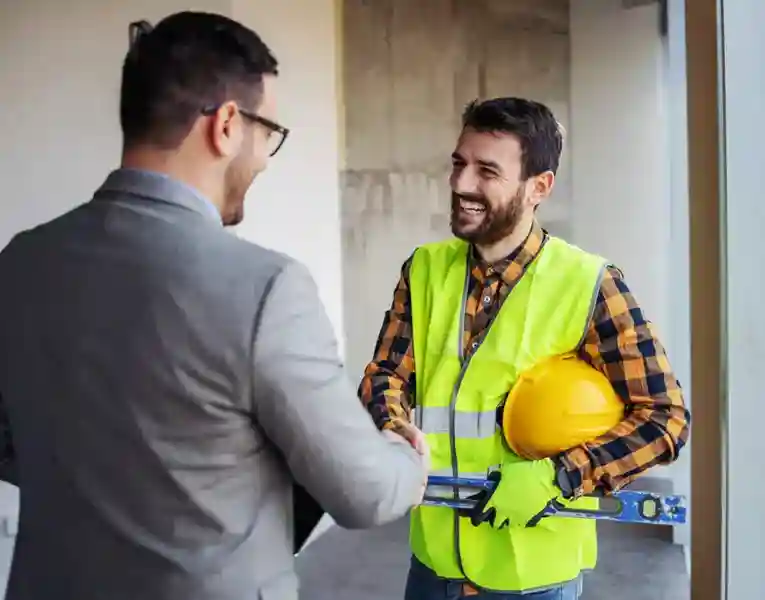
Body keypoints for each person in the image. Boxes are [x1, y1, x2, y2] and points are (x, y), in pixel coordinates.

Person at [0, 11, 428, 600]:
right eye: (268, 134)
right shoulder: (265, 288)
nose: (265, 157)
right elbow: (367, 493)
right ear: (227, 124)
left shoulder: (21, 262)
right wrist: (406, 457)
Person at [358, 97, 691, 599]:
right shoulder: (423, 270)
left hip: (532, 578)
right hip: (433, 563)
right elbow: (386, 374)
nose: (461, 184)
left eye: (487, 171)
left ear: (539, 187)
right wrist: (391, 425)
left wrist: (558, 477)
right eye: (458, 163)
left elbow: (666, 420)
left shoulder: (590, 284)